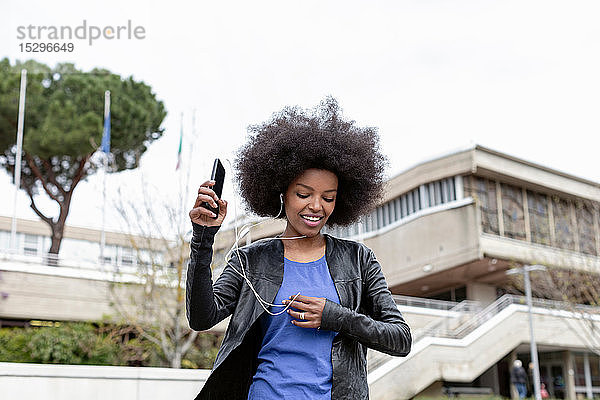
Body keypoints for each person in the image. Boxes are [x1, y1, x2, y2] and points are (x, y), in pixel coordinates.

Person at [186, 98, 412, 399]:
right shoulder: (250, 260)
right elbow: (202, 317)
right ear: (282, 193)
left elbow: (400, 339)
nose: (316, 206)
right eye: (304, 194)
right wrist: (203, 237)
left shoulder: (358, 260)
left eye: (328, 198)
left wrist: (334, 316)